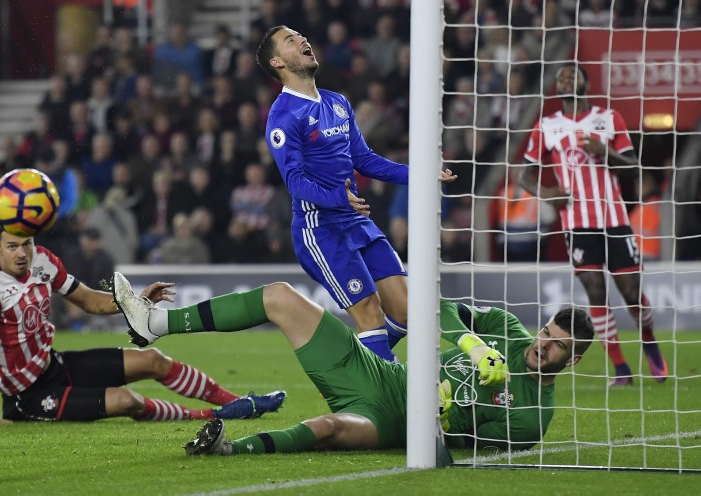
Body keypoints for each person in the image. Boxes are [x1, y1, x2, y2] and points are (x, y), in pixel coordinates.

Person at [112, 272, 594, 454]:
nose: (542, 345)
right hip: (383, 375)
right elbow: (432, 305)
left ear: (571, 362)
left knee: (325, 428)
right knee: (280, 297)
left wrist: (440, 414)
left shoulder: (532, 418)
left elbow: (461, 447)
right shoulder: (508, 331)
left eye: (555, 347)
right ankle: (157, 322)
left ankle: (230, 451)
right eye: (547, 332)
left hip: (396, 421)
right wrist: (469, 343)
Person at [251, 25, 455, 363]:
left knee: (405, 312)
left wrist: (421, 175)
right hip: (321, 229)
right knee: (371, 316)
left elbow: (364, 159)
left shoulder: (337, 102)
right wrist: (337, 197)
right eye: (291, 40)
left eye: (302, 35)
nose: (303, 39)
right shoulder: (283, 116)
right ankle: (389, 403)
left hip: (356, 220)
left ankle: (352, 372)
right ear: (277, 62)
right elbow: (295, 182)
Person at [0, 225, 285, 425]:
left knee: (154, 360)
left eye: (27, 244)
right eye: (12, 246)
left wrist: (135, 301)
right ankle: (212, 416)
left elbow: (89, 300)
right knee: (127, 400)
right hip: (26, 396)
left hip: (54, 365)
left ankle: (239, 403)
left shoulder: (43, 261)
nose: (23, 253)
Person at [520, 63, 668, 386]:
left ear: (586, 83)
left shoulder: (609, 118)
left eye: (572, 75)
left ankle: (649, 341)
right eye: (561, 77)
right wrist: (547, 194)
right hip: (576, 223)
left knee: (631, 292)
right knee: (596, 291)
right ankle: (621, 369)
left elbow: (632, 166)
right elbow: (523, 174)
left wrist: (605, 151)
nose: (565, 80)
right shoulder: (547, 125)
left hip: (614, 219)